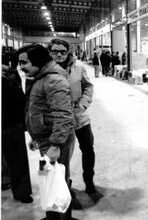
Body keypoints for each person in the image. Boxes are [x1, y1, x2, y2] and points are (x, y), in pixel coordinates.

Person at [17, 44, 76, 219]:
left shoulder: (53, 80)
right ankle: (53, 216)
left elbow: (64, 115)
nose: (20, 66)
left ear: (38, 61)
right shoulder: (39, 76)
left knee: (57, 181)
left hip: (55, 142)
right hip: (45, 140)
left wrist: (56, 145)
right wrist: (35, 135)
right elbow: (39, 110)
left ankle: (60, 218)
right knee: (47, 179)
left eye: (24, 62)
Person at [49, 39, 96, 194]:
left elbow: (88, 86)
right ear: (50, 52)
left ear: (68, 51)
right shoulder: (46, 71)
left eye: (63, 51)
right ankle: (64, 183)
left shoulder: (78, 67)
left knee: (88, 149)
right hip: (58, 120)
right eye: (55, 51)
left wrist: (82, 104)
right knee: (61, 155)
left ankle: (89, 181)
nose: (59, 55)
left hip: (79, 117)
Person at [1, 51, 33, 203]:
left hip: (11, 124)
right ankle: (17, 188)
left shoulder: (10, 77)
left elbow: (20, 99)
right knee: (15, 158)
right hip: (11, 124)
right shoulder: (11, 76)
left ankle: (19, 189)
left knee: (15, 158)